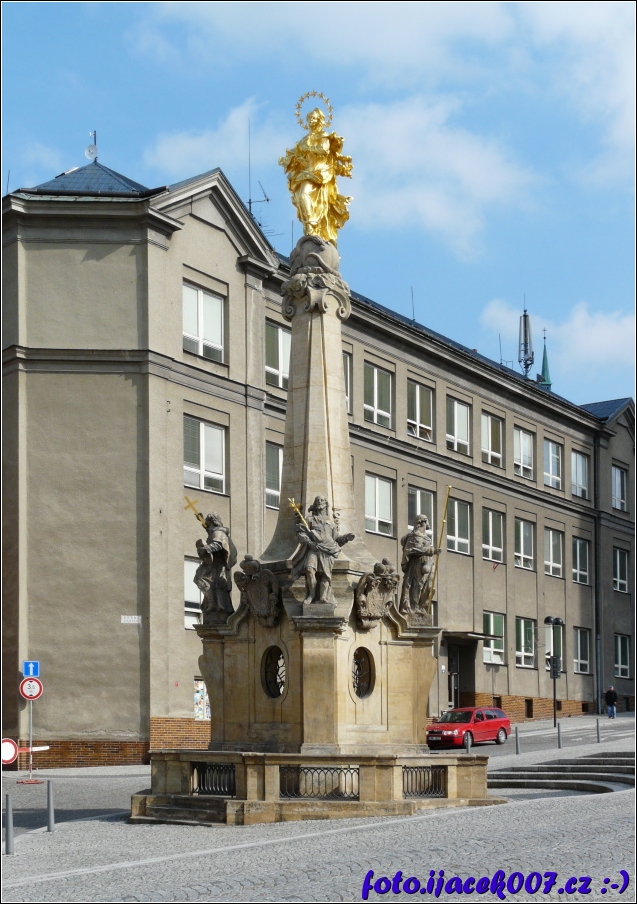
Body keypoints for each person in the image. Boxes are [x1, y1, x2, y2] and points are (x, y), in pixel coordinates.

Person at [279, 108, 352, 245]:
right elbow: (295, 154)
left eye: (313, 118)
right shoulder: (304, 139)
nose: (311, 121)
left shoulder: (323, 136)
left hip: (319, 172)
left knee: (305, 194)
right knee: (301, 196)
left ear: (319, 120)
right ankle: (309, 225)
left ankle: (312, 224)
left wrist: (308, 149)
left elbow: (323, 150)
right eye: (309, 118)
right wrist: (291, 159)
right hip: (306, 172)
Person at [291, 495, 354, 604]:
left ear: (325, 504)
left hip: (328, 550)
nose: (319, 502)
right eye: (317, 500)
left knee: (326, 574)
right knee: (309, 569)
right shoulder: (309, 519)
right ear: (315, 504)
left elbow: (336, 539)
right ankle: (311, 594)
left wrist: (346, 538)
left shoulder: (331, 522)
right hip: (314, 549)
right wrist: (310, 543)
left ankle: (323, 597)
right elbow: (301, 534)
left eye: (322, 500)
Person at [194, 512, 237, 617]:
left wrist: (206, 549)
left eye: (208, 522)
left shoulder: (219, 533)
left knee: (200, 578)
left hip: (217, 565)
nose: (207, 525)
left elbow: (219, 544)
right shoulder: (215, 531)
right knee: (202, 579)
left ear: (212, 522)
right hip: (213, 564)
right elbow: (210, 531)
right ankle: (212, 602)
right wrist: (202, 521)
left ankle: (213, 603)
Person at [399, 514, 441, 613]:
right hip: (417, 564)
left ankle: (422, 607)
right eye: (426, 522)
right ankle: (414, 607)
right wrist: (431, 550)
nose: (427, 525)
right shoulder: (413, 536)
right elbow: (414, 549)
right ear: (421, 523)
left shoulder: (426, 538)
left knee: (427, 587)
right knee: (417, 585)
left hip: (427, 564)